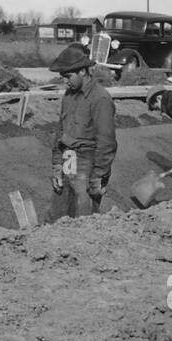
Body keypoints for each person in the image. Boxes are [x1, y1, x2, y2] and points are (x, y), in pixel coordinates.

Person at [49, 44, 117, 218]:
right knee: (62, 207)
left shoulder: (100, 98)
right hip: (69, 157)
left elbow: (106, 142)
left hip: (88, 160)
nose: (65, 81)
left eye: (68, 76)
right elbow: (60, 130)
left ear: (82, 72)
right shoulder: (69, 95)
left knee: (83, 214)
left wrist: (99, 175)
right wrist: (57, 164)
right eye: (62, 77)